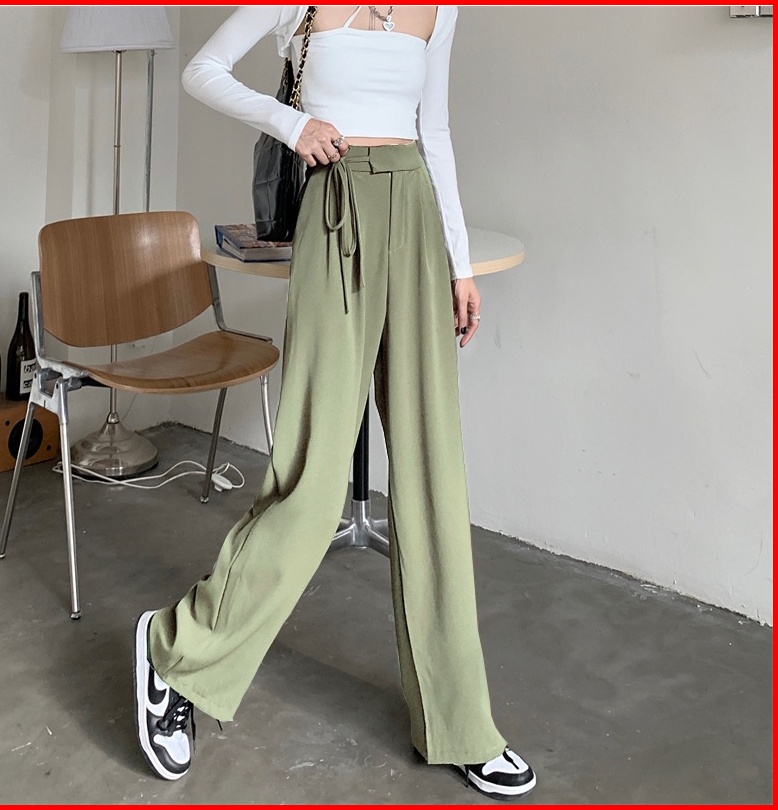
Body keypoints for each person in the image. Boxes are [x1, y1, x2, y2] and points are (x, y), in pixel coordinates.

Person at [133, 5, 536, 801]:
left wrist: (458, 265)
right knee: (314, 475)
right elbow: (201, 70)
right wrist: (293, 125)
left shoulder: (440, 8)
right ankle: (176, 651)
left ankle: (460, 720)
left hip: (413, 207)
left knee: (432, 471)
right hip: (336, 206)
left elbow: (436, 132)